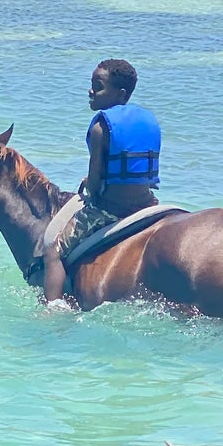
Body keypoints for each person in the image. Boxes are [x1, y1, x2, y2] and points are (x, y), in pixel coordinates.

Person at [41, 59, 161, 305]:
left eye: (98, 86)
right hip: (148, 204)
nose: (91, 91)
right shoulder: (148, 119)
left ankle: (53, 307)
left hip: (112, 209)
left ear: (120, 93)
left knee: (52, 249)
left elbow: (95, 185)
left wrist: (91, 187)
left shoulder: (100, 126)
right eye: (92, 85)